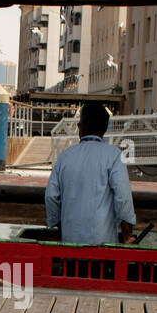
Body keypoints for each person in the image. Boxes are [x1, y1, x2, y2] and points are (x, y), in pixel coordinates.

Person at [45, 102, 136, 245]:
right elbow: (123, 198)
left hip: (70, 244)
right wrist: (127, 236)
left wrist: (59, 226)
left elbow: (51, 196)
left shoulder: (65, 156)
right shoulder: (113, 156)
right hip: (102, 246)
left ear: (82, 127)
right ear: (104, 129)